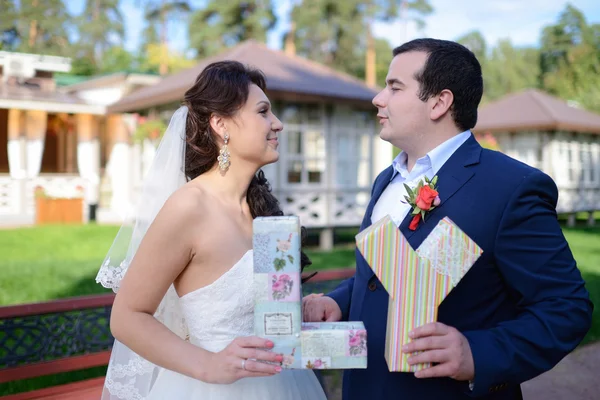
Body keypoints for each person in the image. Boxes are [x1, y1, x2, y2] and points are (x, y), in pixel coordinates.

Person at [303, 38, 593, 400]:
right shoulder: (386, 180)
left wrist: (477, 354)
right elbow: (380, 277)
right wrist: (340, 301)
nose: (378, 98)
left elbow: (566, 308)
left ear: (440, 102)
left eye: (395, 87)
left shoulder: (509, 187)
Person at [96, 60, 327, 400]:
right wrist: (208, 365)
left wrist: (301, 310)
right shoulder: (189, 206)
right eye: (263, 112)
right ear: (221, 124)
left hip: (284, 385)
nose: (277, 124)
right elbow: (127, 317)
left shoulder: (264, 211)